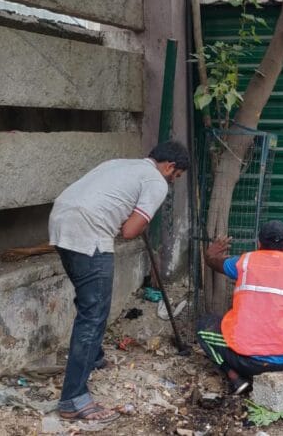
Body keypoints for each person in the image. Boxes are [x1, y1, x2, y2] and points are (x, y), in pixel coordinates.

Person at [49, 141, 189, 422]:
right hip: (90, 232)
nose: (173, 182)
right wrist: (144, 218)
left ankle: (95, 356)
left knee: (90, 302)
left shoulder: (119, 163)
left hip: (60, 222)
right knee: (94, 313)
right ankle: (73, 399)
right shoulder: (156, 181)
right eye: (176, 177)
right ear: (170, 167)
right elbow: (129, 230)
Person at [200, 220, 283, 395]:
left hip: (247, 362)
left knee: (204, 326)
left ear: (259, 244)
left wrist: (210, 254)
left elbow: (215, 263)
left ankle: (235, 378)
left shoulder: (244, 263)